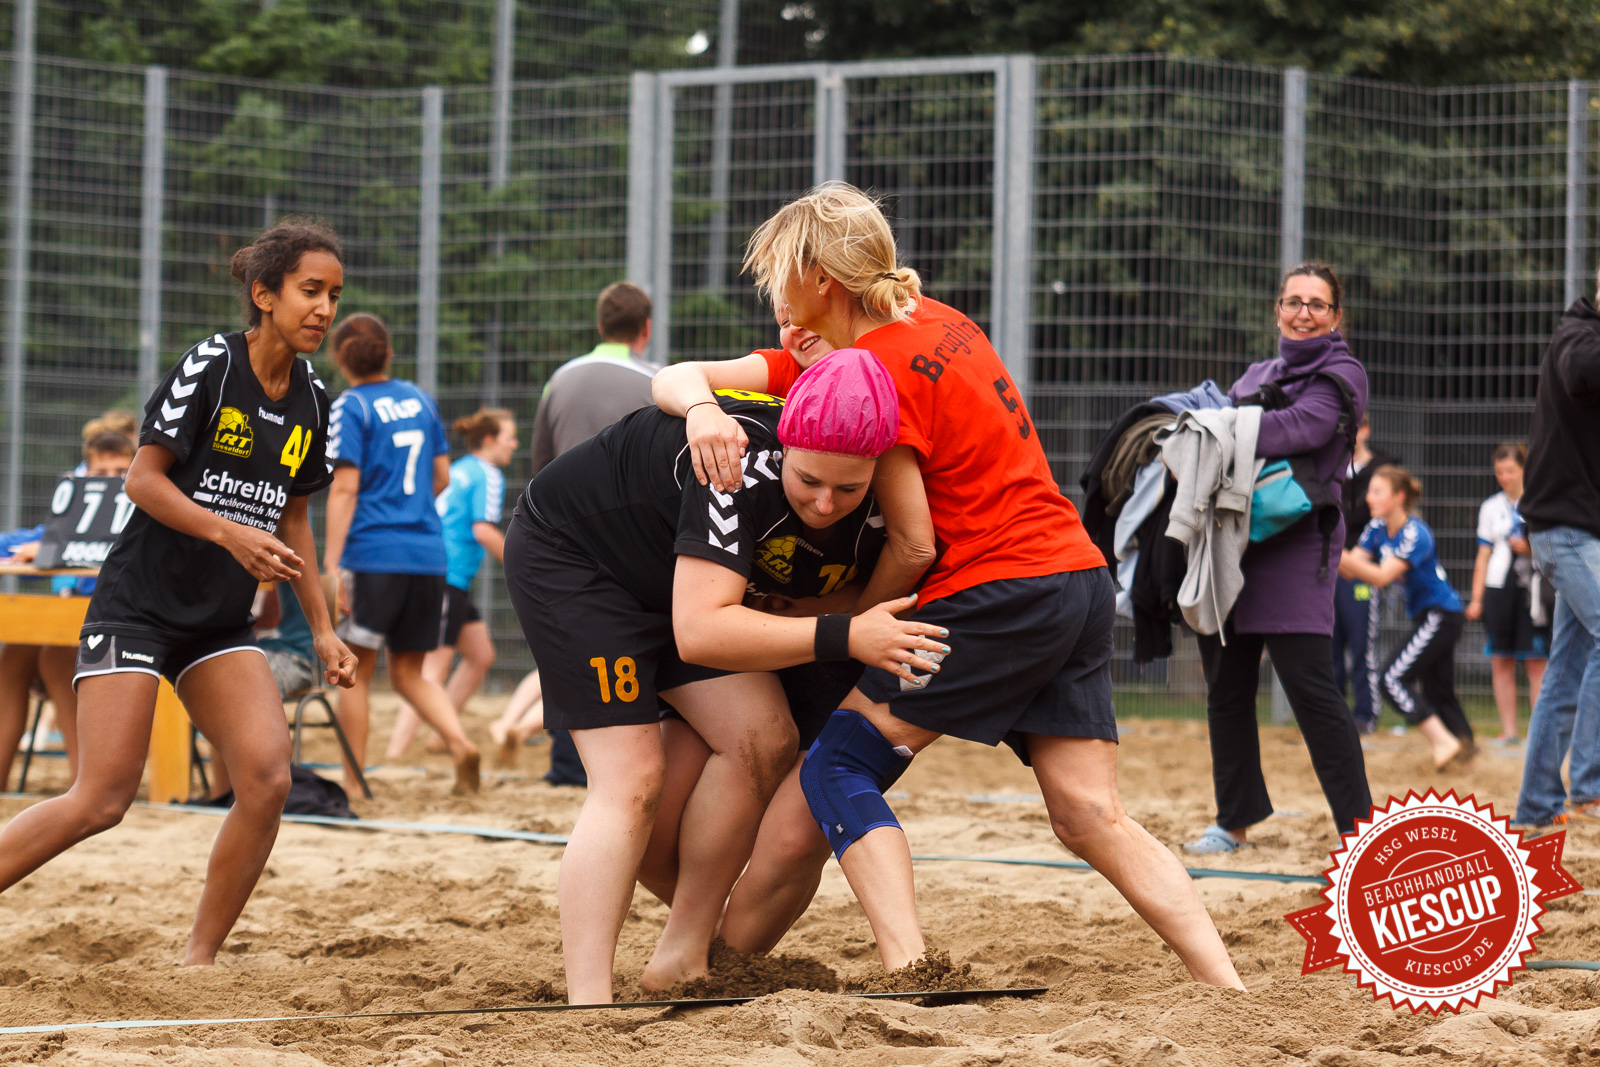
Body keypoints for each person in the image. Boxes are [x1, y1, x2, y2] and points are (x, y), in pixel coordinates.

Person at [664, 183, 1241, 988]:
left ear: (822, 279)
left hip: (996, 589)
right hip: (1073, 577)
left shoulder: (870, 370)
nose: (772, 294)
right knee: (1089, 814)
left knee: (835, 772)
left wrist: (849, 622)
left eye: (779, 276)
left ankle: (905, 966)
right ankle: (1226, 985)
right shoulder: (936, 318)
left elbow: (913, 539)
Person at [505, 350, 948, 1002]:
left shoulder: (885, 479)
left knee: (764, 735)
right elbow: (703, 631)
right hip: (581, 562)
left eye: (848, 489)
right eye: (809, 481)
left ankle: (682, 952)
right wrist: (848, 632)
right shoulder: (734, 463)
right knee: (631, 777)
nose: (826, 503)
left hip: (679, 582)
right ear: (786, 446)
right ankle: (588, 1003)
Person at [0, 219, 357, 964]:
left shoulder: (318, 398)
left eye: (334, 295)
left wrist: (322, 629)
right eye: (310, 290)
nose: (324, 308)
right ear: (265, 294)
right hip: (139, 606)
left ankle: (197, 960)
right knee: (102, 799)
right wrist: (229, 532)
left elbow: (296, 518)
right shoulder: (213, 365)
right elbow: (141, 479)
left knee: (265, 780)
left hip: (217, 623)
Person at [1183, 263, 1372, 855]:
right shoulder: (1258, 373)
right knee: (1227, 688)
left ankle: (1361, 832)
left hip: (1298, 548)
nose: (1303, 312)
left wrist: (1220, 424)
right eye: (1293, 301)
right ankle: (1232, 822)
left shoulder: (1344, 374)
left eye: (1317, 304)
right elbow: (1240, 429)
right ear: (1278, 310)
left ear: (1335, 316)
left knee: (1313, 691)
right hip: (1236, 542)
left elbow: (1299, 429)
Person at [323, 313, 480, 795]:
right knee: (410, 673)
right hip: (428, 557)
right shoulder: (419, 399)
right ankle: (459, 742)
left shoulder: (350, 407)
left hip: (373, 556)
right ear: (389, 353)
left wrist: (331, 563)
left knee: (357, 675)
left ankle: (352, 781)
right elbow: (442, 478)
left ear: (338, 359)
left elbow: (345, 489)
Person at [525, 280, 663, 788]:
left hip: (564, 536)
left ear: (600, 325)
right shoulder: (658, 380)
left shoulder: (560, 380)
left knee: (571, 649)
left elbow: (540, 465)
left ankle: (566, 765)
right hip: (635, 538)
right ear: (645, 329)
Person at [0, 430, 135, 789]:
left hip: (126, 629)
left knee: (58, 655)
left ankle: (84, 785)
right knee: (15, 654)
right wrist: (41, 545)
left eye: (121, 471)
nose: (111, 481)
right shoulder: (75, 516)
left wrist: (45, 547)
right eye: (100, 473)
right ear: (84, 474)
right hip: (75, 626)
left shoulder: (144, 513)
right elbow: (20, 544)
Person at [1513, 277, 1600, 829]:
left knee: (1565, 671)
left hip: (1577, 533)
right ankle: (1589, 786)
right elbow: (1580, 369)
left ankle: (1535, 807)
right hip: (1564, 533)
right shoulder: (1578, 334)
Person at [386, 408, 516, 762]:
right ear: (489, 441)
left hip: (441, 573)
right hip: (445, 574)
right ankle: (396, 753)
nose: (515, 445)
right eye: (510, 438)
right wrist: (525, 565)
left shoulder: (459, 470)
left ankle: (441, 736)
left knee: (480, 654)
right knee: (429, 669)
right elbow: (483, 530)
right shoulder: (487, 474)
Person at [1340, 466, 1473, 768]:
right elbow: (1351, 568)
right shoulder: (1376, 527)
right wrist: (1326, 552)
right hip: (1429, 616)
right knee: (1438, 691)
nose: (1368, 497)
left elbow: (1381, 577)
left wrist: (1334, 550)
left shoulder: (1416, 533)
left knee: (1391, 678)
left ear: (1399, 497)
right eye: (1369, 490)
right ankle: (1467, 753)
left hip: (1442, 615)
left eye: (1377, 491)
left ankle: (1444, 742)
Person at [1465, 442, 1546, 746]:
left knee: (1537, 661)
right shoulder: (1490, 507)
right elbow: (1482, 556)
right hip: (1499, 590)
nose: (1504, 477)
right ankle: (1509, 731)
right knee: (1501, 660)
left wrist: (1530, 549)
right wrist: (1476, 599)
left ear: (1524, 469)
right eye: (1499, 471)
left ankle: (1537, 735)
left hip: (1532, 590)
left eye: (1510, 470)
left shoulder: (1539, 502)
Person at [1332, 416, 1399, 733]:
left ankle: (1365, 715)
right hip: (1330, 571)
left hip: (1362, 575)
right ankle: (1333, 717)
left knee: (1361, 644)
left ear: (1367, 431)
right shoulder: (1329, 468)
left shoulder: (1382, 469)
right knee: (1330, 644)